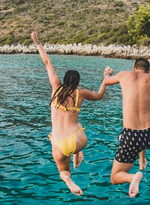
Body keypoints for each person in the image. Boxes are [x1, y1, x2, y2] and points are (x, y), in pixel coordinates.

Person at [31, 31, 112, 195]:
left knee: (63, 172)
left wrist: (37, 42)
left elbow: (47, 62)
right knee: (78, 125)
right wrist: (105, 77)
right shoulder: (80, 93)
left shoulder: (55, 87)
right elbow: (99, 96)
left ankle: (69, 179)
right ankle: (76, 157)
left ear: (64, 79)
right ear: (78, 82)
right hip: (77, 140)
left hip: (57, 144)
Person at [103, 58, 150, 197]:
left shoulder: (124, 74)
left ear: (134, 67)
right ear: (149, 69)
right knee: (141, 138)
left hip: (132, 136)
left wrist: (107, 73)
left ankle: (133, 177)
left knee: (115, 177)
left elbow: (106, 81)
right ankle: (142, 161)